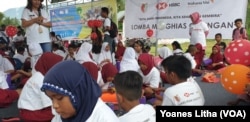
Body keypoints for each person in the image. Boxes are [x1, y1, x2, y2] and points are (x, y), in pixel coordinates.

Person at [41, 61, 119, 122]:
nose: (55, 106)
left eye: (59, 98)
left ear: (78, 93)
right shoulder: (60, 118)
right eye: (51, 99)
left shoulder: (104, 119)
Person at [18, 53, 63, 122]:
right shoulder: (41, 80)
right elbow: (51, 103)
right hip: (32, 113)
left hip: (29, 110)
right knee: (63, 111)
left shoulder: (40, 75)